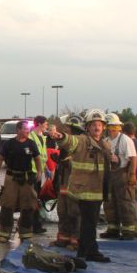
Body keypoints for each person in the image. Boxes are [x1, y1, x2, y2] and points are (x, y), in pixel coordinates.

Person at [48, 109, 112, 263]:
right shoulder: (83, 141)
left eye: (99, 125)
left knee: (88, 223)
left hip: (97, 191)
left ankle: (83, 251)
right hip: (85, 191)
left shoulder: (105, 145)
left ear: (104, 127)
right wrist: (60, 136)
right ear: (87, 127)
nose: (97, 128)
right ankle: (92, 252)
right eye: (93, 125)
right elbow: (71, 141)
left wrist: (114, 160)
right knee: (89, 223)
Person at [0, 120, 43, 244]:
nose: (28, 131)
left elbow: (37, 159)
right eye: (25, 129)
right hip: (11, 178)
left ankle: (25, 233)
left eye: (28, 129)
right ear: (18, 130)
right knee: (7, 205)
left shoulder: (31, 144)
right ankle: (4, 233)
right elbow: (0, 159)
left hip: (26, 179)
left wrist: (39, 172)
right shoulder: (9, 144)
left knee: (28, 206)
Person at [100, 113, 137, 240]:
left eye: (114, 127)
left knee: (125, 203)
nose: (112, 130)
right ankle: (113, 228)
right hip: (109, 174)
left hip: (122, 174)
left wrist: (132, 174)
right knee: (109, 202)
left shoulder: (125, 140)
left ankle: (129, 230)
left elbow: (133, 157)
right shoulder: (106, 141)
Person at [53, 114, 84, 250]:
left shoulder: (81, 143)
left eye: (68, 128)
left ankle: (75, 240)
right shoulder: (65, 143)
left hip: (75, 182)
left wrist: (69, 163)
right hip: (64, 181)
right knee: (62, 210)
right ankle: (63, 238)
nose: (66, 130)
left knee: (74, 212)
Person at [29, 116, 49, 234]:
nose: (47, 126)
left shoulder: (43, 138)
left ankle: (35, 224)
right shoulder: (31, 137)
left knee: (36, 198)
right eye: (46, 124)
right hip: (32, 172)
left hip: (39, 172)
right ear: (40, 124)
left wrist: (46, 168)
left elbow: (42, 156)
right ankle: (32, 224)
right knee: (32, 199)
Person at [124, 122, 137, 205]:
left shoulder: (126, 143)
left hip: (129, 180)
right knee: (134, 207)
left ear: (124, 132)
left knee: (126, 207)